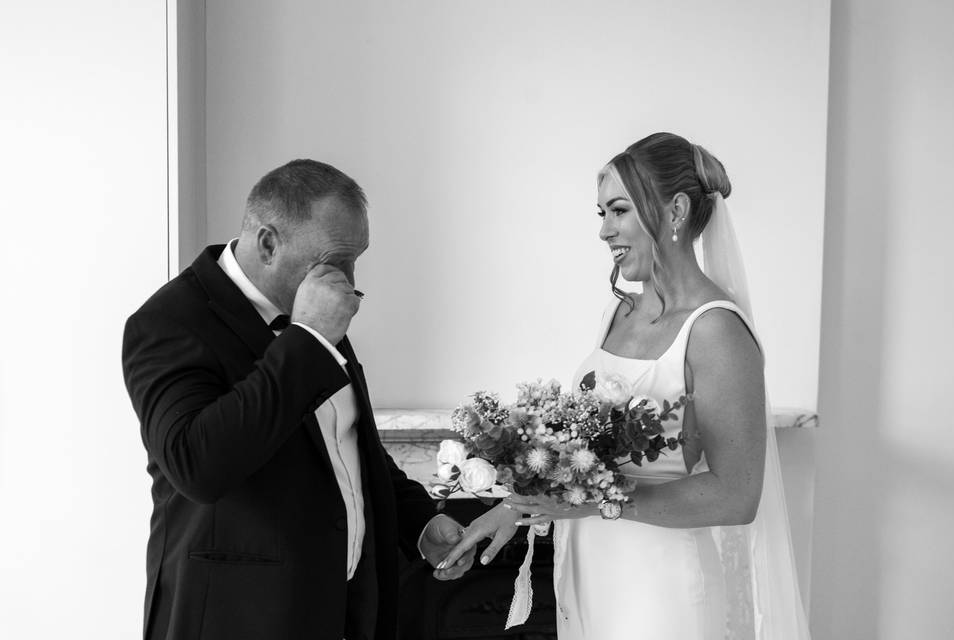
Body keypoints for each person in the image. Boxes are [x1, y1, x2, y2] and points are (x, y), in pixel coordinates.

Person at [440, 133, 810, 639]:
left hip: (659, 589)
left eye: (619, 211)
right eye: (601, 214)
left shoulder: (715, 331)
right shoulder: (620, 311)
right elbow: (585, 456)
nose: (604, 231)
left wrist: (591, 503)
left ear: (675, 210)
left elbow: (736, 496)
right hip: (590, 574)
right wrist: (512, 508)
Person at [122, 159, 474, 640]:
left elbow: (345, 445)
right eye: (333, 261)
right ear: (268, 243)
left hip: (343, 613)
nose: (348, 282)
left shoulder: (311, 309)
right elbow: (197, 466)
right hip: (236, 619)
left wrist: (418, 523)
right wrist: (307, 338)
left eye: (356, 259)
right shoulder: (169, 322)